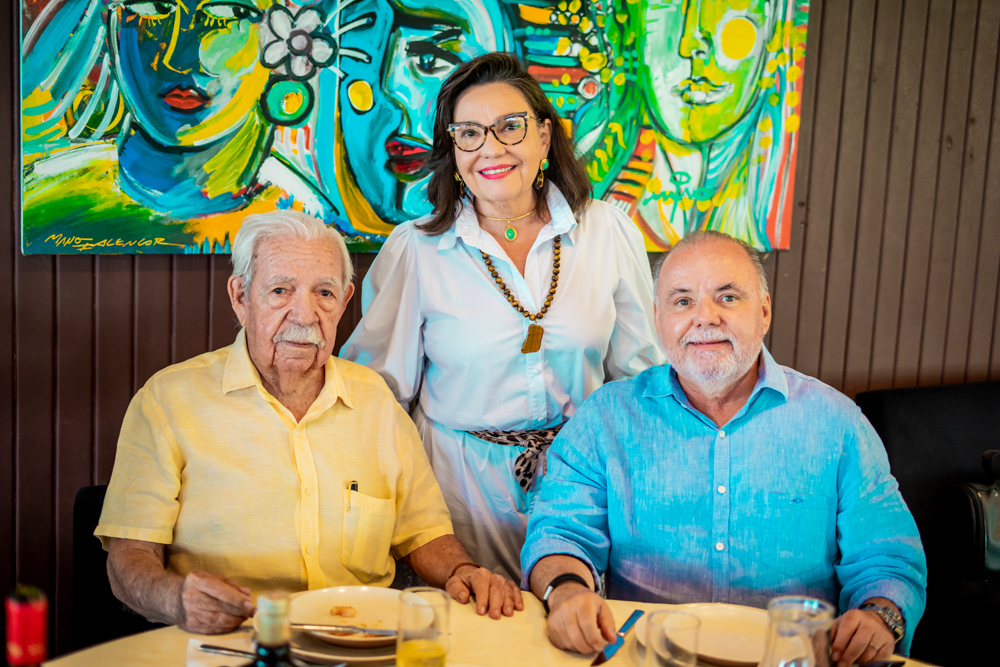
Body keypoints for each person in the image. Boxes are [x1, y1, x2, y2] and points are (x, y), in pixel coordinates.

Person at [95, 210, 522, 635]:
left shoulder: (375, 401)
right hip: (232, 642)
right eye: (280, 290)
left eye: (324, 293)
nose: (304, 314)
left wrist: (460, 571)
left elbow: (423, 532)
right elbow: (128, 557)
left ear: (345, 300)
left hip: (359, 643)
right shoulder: (168, 402)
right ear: (241, 297)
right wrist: (176, 599)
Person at [522, 230, 927, 667]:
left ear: (765, 311)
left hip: (790, 657)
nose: (704, 317)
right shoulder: (607, 416)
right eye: (682, 302)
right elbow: (560, 531)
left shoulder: (837, 423)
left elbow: (887, 557)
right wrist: (565, 591)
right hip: (647, 657)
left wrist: (879, 617)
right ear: (658, 320)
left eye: (728, 297)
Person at [341, 52, 665, 582]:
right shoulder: (418, 249)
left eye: (509, 127)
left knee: (568, 628)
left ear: (543, 137)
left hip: (578, 480)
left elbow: (640, 377)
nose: (490, 148)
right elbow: (378, 395)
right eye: (469, 133)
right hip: (456, 492)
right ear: (453, 149)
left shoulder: (607, 231)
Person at [22, 0, 341, 253]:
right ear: (110, 31)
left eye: (228, 12)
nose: (179, 58)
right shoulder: (41, 200)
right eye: (150, 9)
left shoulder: (309, 224)